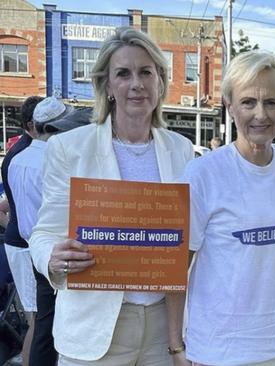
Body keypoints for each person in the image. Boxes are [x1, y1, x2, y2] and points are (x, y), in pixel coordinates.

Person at [29, 27, 193, 365]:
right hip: (95, 325)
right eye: (124, 73)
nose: (137, 83)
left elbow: (188, 236)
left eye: (146, 72)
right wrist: (52, 257)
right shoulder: (69, 148)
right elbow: (43, 234)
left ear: (160, 81)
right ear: (107, 85)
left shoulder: (181, 149)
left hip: (164, 326)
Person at [180, 50, 275, 366]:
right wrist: (176, 346)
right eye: (248, 102)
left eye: (271, 102)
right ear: (229, 106)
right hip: (220, 349)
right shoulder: (203, 174)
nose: (261, 114)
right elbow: (179, 264)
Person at [12, 100, 92, 366]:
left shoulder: (17, 159)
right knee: (51, 327)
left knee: (39, 322)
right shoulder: (56, 159)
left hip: (28, 249)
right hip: (57, 253)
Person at [1, 95, 43, 366]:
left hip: (25, 244)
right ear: (32, 124)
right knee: (36, 319)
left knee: (39, 317)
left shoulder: (22, 153)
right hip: (26, 246)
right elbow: (26, 214)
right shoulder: (26, 156)